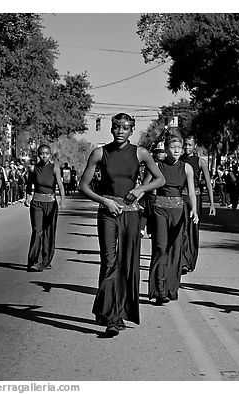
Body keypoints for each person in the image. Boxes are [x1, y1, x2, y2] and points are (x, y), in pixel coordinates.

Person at [78, 113, 165, 337]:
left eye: (125, 128)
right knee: (109, 261)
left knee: (127, 264)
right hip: (108, 212)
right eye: (117, 127)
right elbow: (83, 186)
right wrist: (104, 200)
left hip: (131, 214)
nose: (120, 131)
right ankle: (111, 317)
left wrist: (140, 190)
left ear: (131, 130)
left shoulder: (140, 153)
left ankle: (117, 312)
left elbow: (160, 179)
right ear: (111, 128)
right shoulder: (100, 153)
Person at [145, 134, 198, 303]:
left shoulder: (187, 168)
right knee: (161, 248)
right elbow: (147, 188)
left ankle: (171, 289)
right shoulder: (157, 166)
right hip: (160, 211)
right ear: (166, 148)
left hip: (179, 211)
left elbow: (190, 192)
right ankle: (159, 290)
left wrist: (194, 210)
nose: (176, 150)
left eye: (179, 147)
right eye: (173, 147)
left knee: (175, 251)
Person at [24, 144, 65, 272]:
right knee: (37, 231)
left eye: (46, 153)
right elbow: (29, 184)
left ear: (50, 154)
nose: (44, 156)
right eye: (42, 153)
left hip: (51, 203)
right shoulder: (33, 168)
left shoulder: (54, 168)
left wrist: (62, 200)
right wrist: (27, 197)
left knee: (49, 232)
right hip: (37, 202)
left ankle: (46, 260)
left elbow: (60, 184)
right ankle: (34, 261)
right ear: (38, 154)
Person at [180, 135, 215, 274]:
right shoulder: (180, 160)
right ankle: (182, 260)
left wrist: (212, 204)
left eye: (189, 145)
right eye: (185, 145)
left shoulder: (200, 162)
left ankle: (190, 261)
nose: (187, 147)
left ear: (195, 146)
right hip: (181, 197)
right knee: (182, 230)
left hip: (195, 197)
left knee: (192, 230)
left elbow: (208, 183)